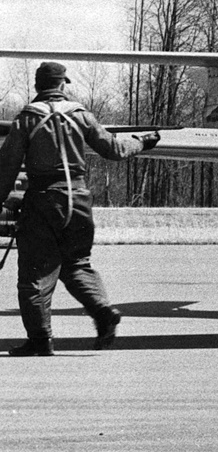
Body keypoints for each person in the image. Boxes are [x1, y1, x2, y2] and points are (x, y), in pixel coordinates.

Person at [0, 62, 159, 356]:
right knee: (76, 265)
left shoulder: (26, 119)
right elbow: (113, 148)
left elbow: (6, 167)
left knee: (35, 274)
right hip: (80, 201)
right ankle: (102, 311)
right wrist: (142, 142)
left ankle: (40, 340)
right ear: (62, 85)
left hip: (44, 201)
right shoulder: (80, 114)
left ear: (38, 87)